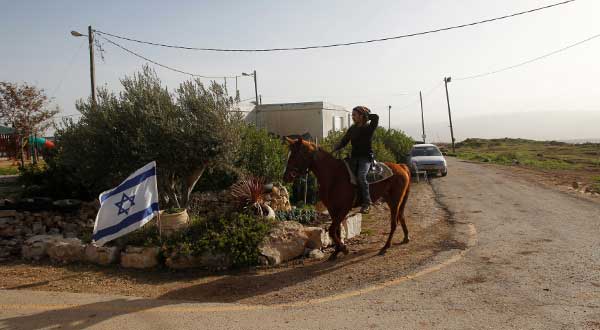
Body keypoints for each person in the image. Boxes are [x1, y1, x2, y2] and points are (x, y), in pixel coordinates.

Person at [333, 106, 379, 214]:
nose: (352, 117)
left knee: (361, 177)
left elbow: (376, 117)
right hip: (353, 158)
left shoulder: (369, 127)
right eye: (352, 115)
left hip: (365, 158)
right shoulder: (352, 129)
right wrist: (335, 148)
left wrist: (366, 114)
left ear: (361, 116)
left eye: (355, 115)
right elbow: (344, 141)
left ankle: (367, 203)